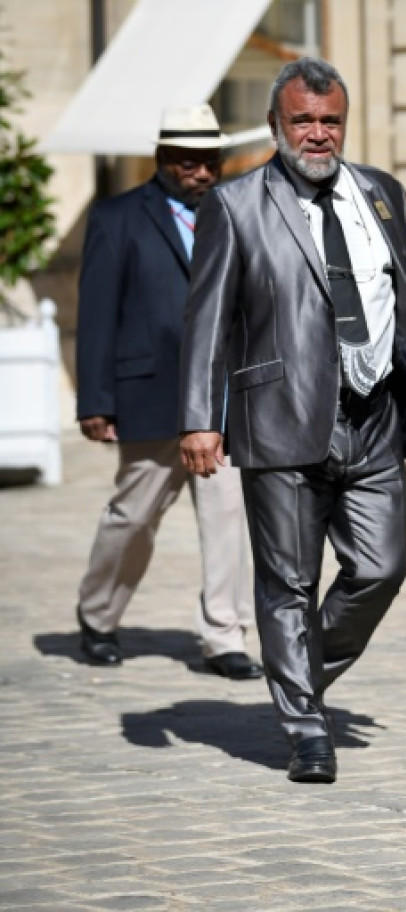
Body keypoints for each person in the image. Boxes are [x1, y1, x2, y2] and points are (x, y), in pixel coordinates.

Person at [179, 58, 406, 786]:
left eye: (330, 119)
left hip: (374, 415)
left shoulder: (381, 193)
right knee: (287, 584)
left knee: (381, 567)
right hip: (281, 417)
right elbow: (206, 322)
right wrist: (201, 420)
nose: (318, 133)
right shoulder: (235, 205)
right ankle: (306, 728)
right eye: (303, 120)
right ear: (277, 124)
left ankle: (296, 671)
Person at [73, 105, 261, 681]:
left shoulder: (240, 214)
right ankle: (98, 614)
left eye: (209, 161)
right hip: (149, 395)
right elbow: (98, 314)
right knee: (132, 516)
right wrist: (95, 401)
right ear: (160, 159)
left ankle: (224, 635)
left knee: (226, 517)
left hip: (225, 400)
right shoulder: (117, 217)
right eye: (187, 161)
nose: (200, 172)